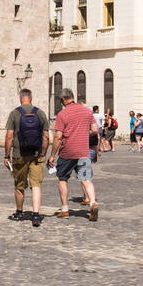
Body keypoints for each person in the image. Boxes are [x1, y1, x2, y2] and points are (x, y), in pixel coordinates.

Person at [47, 88, 98, 221]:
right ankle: (93, 203)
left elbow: (58, 136)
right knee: (86, 179)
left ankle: (64, 209)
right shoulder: (87, 111)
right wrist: (82, 134)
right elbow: (95, 129)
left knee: (63, 179)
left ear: (64, 99)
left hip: (67, 152)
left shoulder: (62, 114)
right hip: (83, 151)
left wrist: (52, 155)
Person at [3, 89, 49, 228]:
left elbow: (9, 136)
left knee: (19, 185)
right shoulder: (40, 113)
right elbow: (46, 136)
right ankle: (36, 215)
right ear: (31, 98)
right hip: (36, 154)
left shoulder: (14, 113)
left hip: (19, 154)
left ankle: (19, 212)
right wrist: (44, 153)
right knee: (36, 185)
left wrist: (6, 155)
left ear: (20, 98)